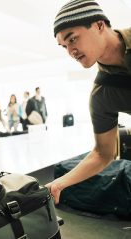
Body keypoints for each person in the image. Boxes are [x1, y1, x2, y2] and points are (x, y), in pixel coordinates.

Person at [47, 0, 131, 204]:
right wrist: (59, 183)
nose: (71, 51)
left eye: (73, 39)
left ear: (99, 25)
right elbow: (103, 154)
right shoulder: (101, 95)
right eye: (64, 46)